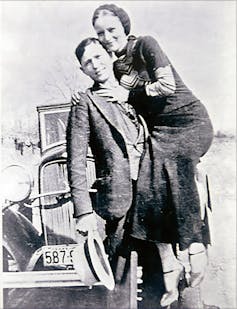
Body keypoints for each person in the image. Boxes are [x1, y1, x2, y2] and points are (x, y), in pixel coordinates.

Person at [90, 3, 214, 306]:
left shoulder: (146, 44)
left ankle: (195, 250)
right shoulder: (116, 67)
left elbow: (167, 86)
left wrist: (129, 94)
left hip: (188, 121)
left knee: (174, 170)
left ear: (124, 26)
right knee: (146, 188)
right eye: (100, 33)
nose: (107, 37)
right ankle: (169, 266)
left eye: (112, 30)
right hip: (159, 133)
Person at [67, 37, 186, 307]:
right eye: (87, 62)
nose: (95, 65)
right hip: (120, 199)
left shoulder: (136, 92)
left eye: (98, 57)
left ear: (110, 56)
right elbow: (75, 161)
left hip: (153, 191)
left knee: (163, 269)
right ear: (83, 70)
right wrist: (84, 212)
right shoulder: (85, 102)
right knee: (121, 273)